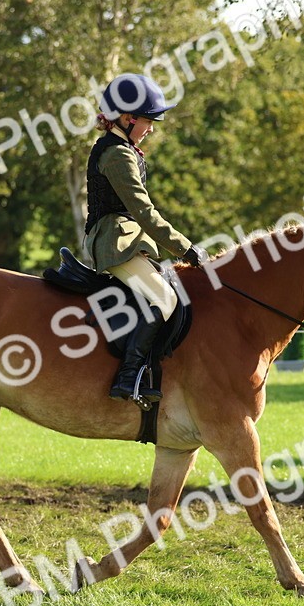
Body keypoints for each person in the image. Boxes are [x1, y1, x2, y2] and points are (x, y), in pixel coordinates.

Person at [83, 73, 209, 402]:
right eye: (149, 121)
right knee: (164, 299)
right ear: (128, 118)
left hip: (126, 242)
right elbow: (144, 212)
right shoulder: (117, 154)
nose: (151, 128)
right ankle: (128, 377)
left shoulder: (123, 147)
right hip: (115, 244)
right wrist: (186, 248)